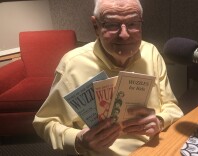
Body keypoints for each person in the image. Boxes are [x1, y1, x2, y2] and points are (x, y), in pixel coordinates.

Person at [33, 0, 184, 155]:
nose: (124, 35)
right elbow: (44, 123)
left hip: (157, 149)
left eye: (133, 23)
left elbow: (172, 107)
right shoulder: (72, 64)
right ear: (96, 26)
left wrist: (159, 120)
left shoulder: (151, 53)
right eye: (112, 25)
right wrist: (78, 139)